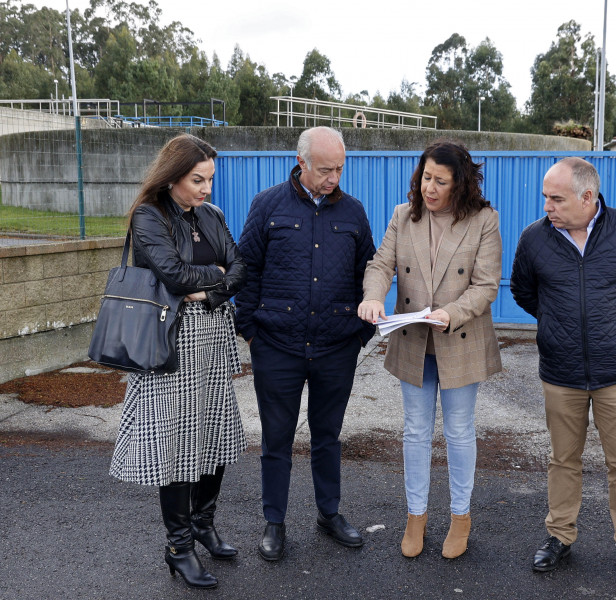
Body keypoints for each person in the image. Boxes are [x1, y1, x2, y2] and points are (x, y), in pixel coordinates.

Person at [509, 157, 616, 587]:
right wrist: (557, 324)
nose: (547, 205)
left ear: (588, 197)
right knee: (563, 459)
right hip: (560, 371)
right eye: (545, 196)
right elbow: (524, 291)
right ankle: (560, 536)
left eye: (556, 198)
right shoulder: (534, 239)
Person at [109, 133, 247, 589]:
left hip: (213, 340)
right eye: (197, 180)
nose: (206, 189)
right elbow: (171, 274)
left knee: (215, 438)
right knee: (177, 448)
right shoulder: (149, 216)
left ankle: (204, 523)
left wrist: (203, 287)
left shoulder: (211, 215)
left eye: (209, 179)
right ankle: (179, 547)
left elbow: (241, 268)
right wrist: (216, 278)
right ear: (172, 177)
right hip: (171, 345)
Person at [235, 126, 376, 561]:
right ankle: (273, 522)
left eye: (339, 169)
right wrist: (251, 330)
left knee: (328, 435)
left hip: (337, 346)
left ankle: (328, 514)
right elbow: (247, 269)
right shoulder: (267, 205)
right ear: (302, 163)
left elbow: (367, 272)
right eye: (325, 169)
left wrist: (359, 333)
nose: (333, 178)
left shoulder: (352, 212)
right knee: (276, 438)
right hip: (276, 345)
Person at [358, 140, 502, 559]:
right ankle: (415, 516)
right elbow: (381, 264)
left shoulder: (483, 220)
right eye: (426, 178)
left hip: (460, 338)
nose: (430, 188)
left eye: (441, 180)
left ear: (460, 184)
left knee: (458, 432)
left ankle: (460, 517)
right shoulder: (404, 216)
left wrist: (451, 313)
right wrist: (373, 297)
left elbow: (486, 284)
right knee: (416, 432)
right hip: (413, 341)